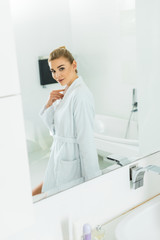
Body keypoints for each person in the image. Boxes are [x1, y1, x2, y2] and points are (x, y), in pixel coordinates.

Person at [32, 46, 101, 196]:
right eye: (53, 70)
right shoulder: (67, 92)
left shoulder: (80, 95)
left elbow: (86, 140)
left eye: (61, 68)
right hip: (61, 153)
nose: (57, 75)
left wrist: (94, 180)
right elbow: (54, 129)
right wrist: (49, 104)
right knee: (49, 188)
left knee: (55, 196)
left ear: (74, 65)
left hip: (71, 158)